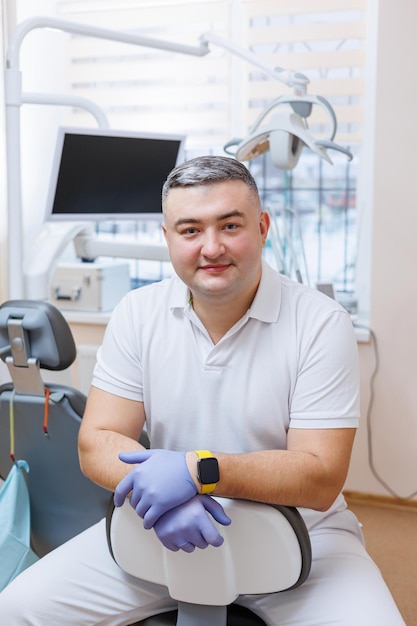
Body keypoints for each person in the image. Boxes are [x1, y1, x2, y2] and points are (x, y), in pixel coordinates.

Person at [0, 156, 405, 625]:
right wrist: (161, 497)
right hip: (161, 523)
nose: (211, 247)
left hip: (303, 537)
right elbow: (97, 443)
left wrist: (198, 473)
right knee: (18, 609)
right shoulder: (138, 313)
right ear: (167, 237)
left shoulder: (320, 323)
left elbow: (319, 475)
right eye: (190, 230)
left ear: (262, 227)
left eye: (229, 225)